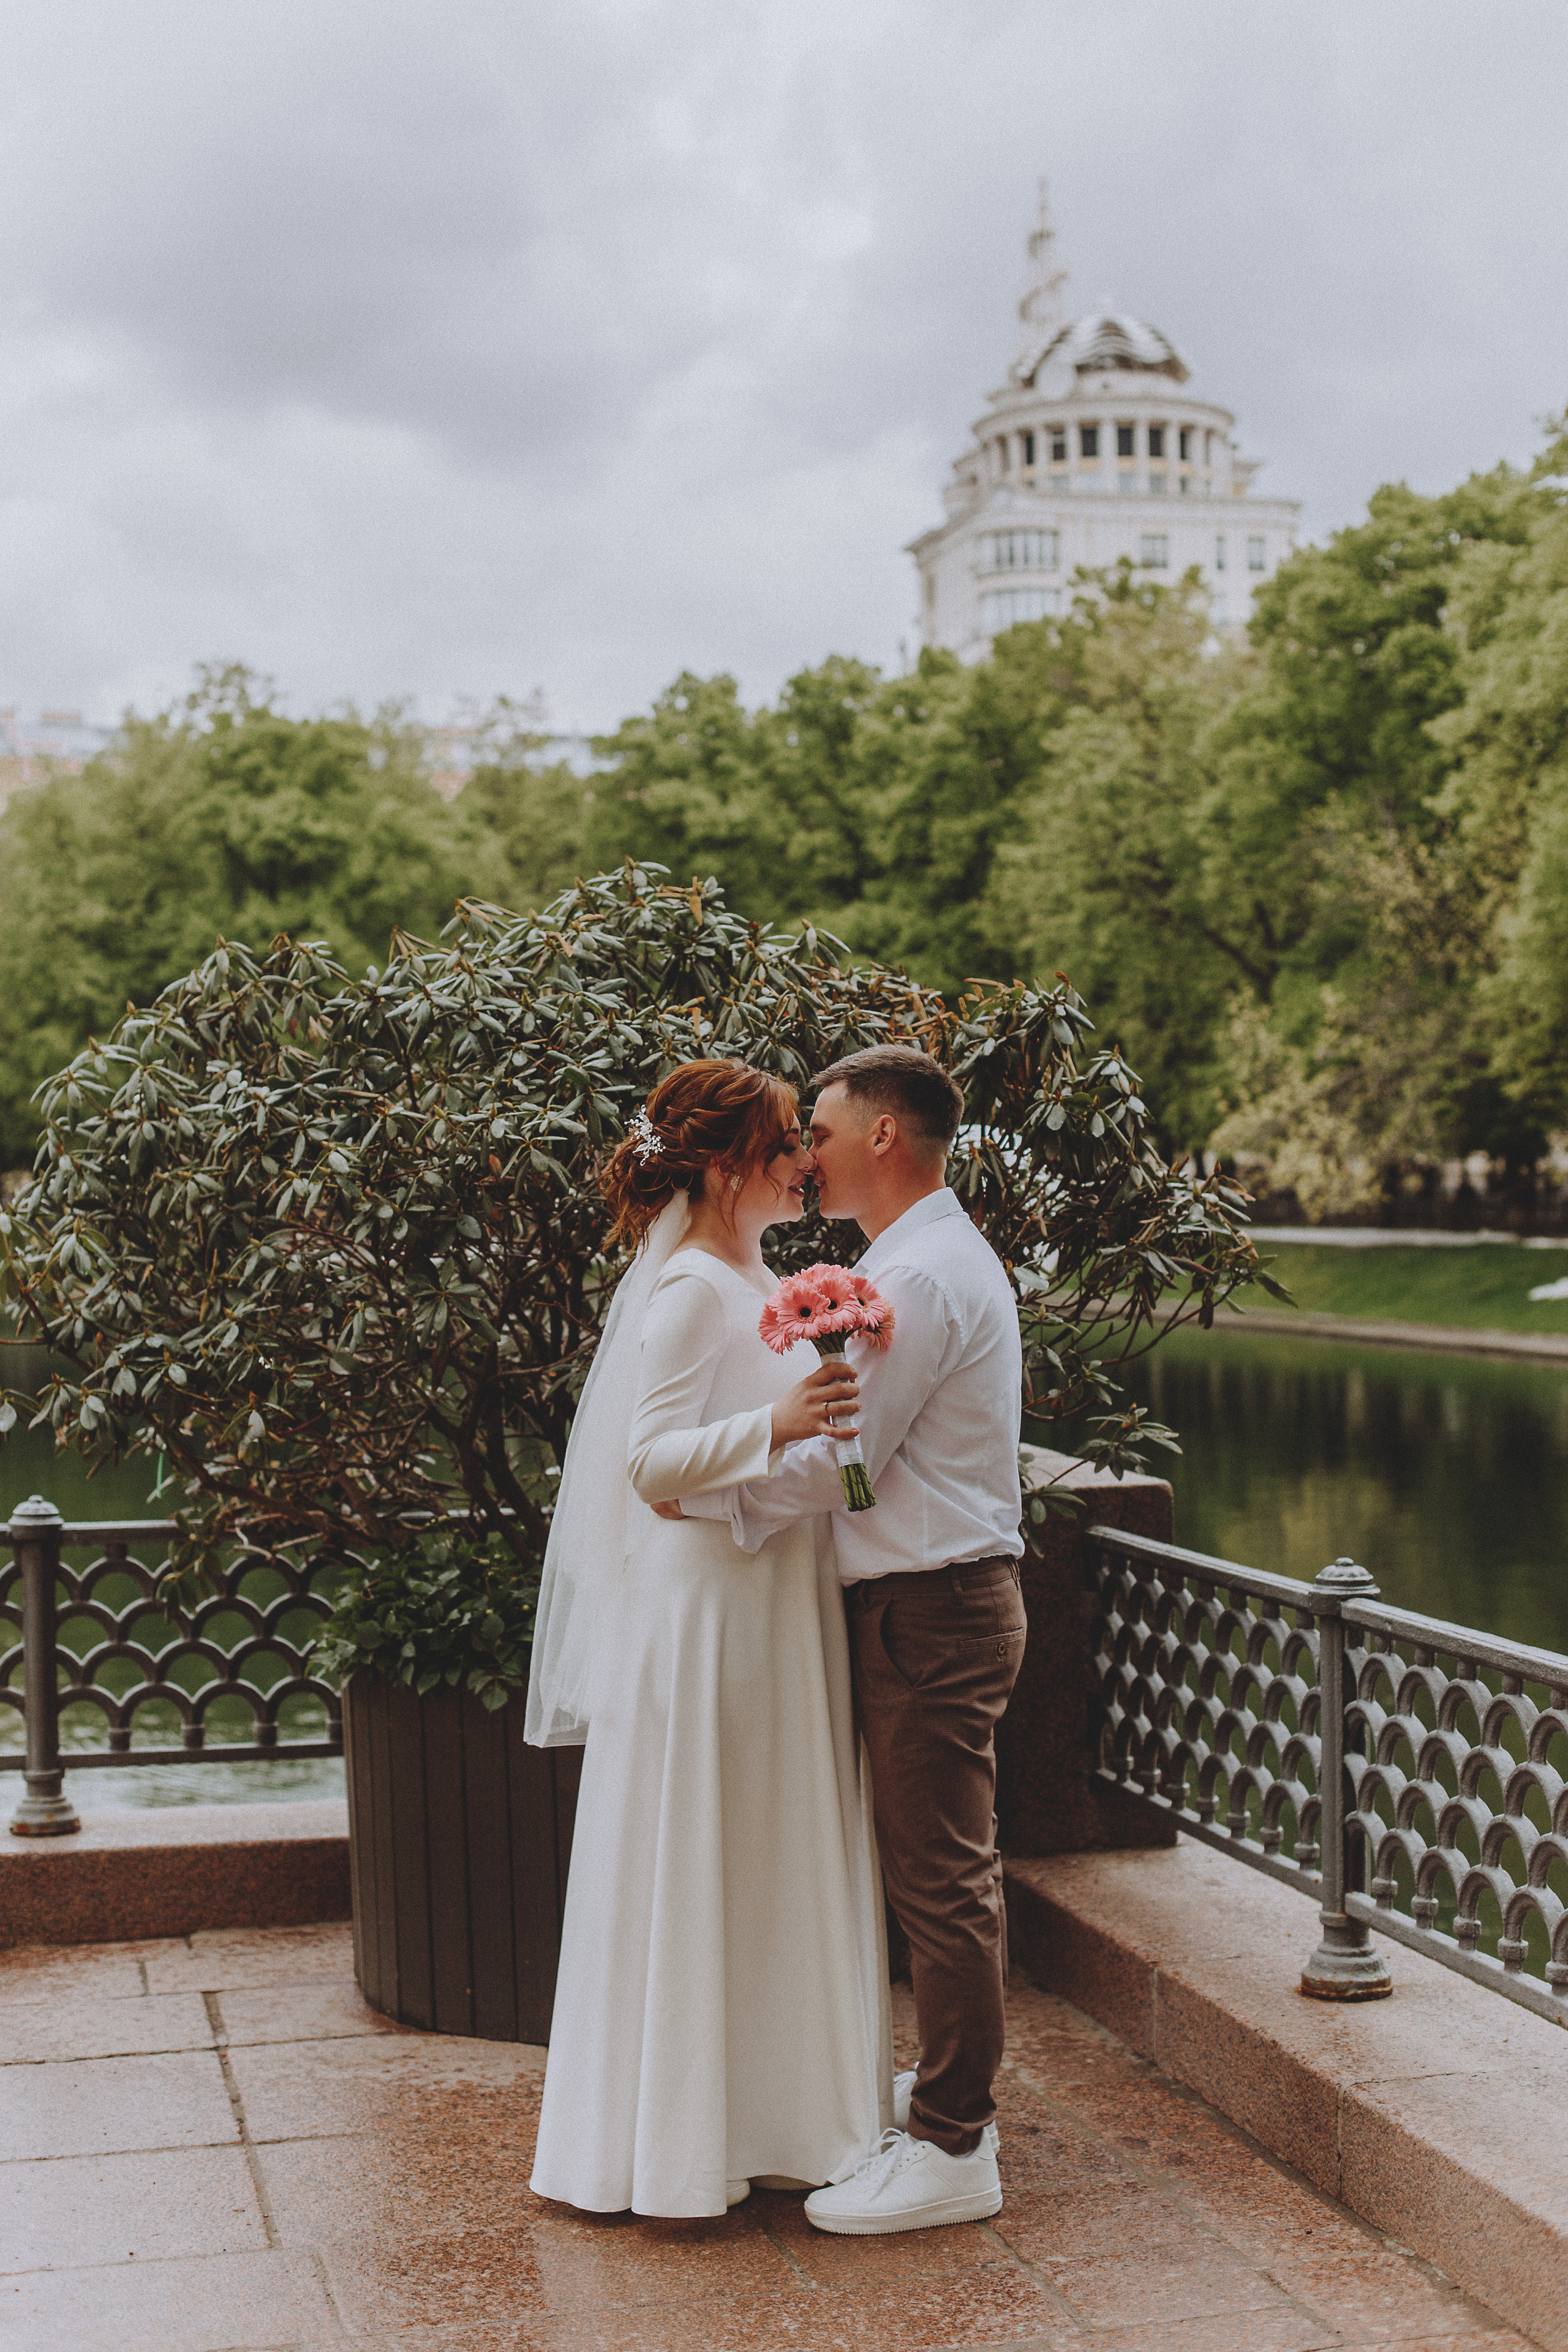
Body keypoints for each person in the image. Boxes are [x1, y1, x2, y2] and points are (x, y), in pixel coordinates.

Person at [526, 1057, 893, 2217]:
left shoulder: (756, 1275)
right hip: (711, 1610)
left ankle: (775, 2117)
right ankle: (683, 2143)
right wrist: (777, 1422)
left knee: (765, 1850)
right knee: (708, 1851)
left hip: (770, 1588)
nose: (803, 1166)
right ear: (731, 1167)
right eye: (786, 1145)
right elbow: (648, 1465)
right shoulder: (689, 1286)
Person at [671, 1044, 1025, 2236]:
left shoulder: (916, 1273)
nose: (804, 1152)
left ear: (883, 1134)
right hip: (929, 1598)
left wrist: (709, 1496)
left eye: (817, 1129)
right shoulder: (918, 1256)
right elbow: (865, 1470)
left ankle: (954, 2146)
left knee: (942, 1882)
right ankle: (943, 2092)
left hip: (932, 1604)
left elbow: (847, 1466)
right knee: (934, 1873)